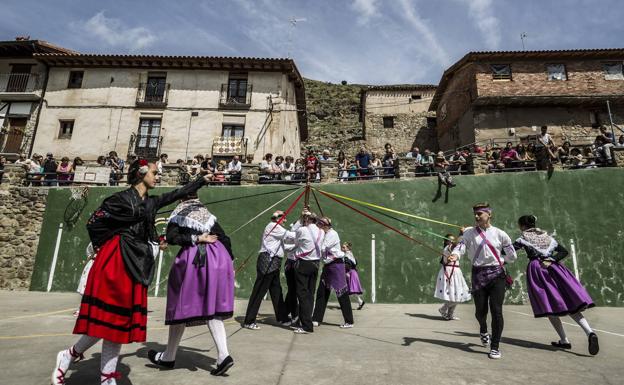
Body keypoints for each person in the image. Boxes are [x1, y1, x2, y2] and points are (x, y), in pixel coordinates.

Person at [50, 159, 211, 385]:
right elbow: (93, 223)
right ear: (141, 173)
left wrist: (201, 180)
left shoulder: (151, 203)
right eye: (155, 172)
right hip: (115, 261)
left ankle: (72, 357)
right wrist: (114, 238)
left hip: (135, 262)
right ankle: (102, 376)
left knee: (116, 323)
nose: (158, 176)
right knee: (107, 320)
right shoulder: (118, 199)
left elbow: (175, 194)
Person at [147, 190, 235, 375]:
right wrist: (229, 264)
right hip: (218, 257)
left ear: (182, 197)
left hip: (195, 260)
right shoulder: (207, 214)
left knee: (181, 304)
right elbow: (224, 238)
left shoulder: (178, 212)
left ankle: (172, 357)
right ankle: (221, 355)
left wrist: (192, 239)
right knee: (211, 307)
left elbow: (171, 238)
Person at [513, 215, 598, 355]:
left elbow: (508, 251)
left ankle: (564, 339)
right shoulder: (547, 237)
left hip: (538, 269)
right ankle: (590, 333)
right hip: (556, 269)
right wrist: (551, 259)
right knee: (571, 304)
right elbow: (564, 251)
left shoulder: (523, 238)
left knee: (549, 305)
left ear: (522, 226)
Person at [450, 203, 517, 360]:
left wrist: (501, 261)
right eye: (475, 213)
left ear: (489, 214)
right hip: (478, 274)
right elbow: (461, 246)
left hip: (497, 275)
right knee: (480, 312)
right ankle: (483, 328)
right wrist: (455, 255)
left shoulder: (501, 234)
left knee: (497, 310)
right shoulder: (469, 233)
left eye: (480, 213)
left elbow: (512, 256)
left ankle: (495, 346)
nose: (476, 216)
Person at [243, 211, 291, 330]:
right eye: (283, 218)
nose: (285, 220)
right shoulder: (273, 226)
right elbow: (291, 236)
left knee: (276, 291)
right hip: (268, 262)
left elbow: (287, 244)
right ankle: (249, 321)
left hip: (274, 263)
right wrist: (303, 231)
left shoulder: (277, 228)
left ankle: (282, 318)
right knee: (259, 291)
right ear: (278, 218)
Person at [284, 209, 324, 334]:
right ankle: (307, 320)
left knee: (302, 295)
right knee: (310, 293)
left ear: (307, 219)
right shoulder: (321, 231)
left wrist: (300, 219)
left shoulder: (302, 230)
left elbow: (290, 236)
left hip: (303, 265)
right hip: (316, 264)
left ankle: (306, 325)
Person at [312, 217, 355, 328]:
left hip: (336, 265)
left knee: (341, 292)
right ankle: (316, 319)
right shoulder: (325, 234)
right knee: (322, 291)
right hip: (328, 266)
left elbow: (323, 248)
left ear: (325, 226)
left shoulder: (332, 234)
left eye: (320, 225)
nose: (318, 227)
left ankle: (349, 321)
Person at [434, 234, 471, 320]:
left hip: (456, 272)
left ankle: (450, 314)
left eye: (453, 239)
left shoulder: (455, 248)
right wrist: (462, 235)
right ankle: (443, 309)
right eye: (450, 240)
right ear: (446, 241)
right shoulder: (448, 248)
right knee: (456, 297)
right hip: (450, 272)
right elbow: (455, 245)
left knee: (456, 294)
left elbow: (457, 246)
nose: (452, 241)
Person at [74, 243, 97, 316]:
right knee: (84, 287)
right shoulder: (93, 242)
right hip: (92, 264)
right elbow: (88, 251)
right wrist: (91, 256)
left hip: (102, 266)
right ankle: (80, 309)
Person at [343, 242, 364, 310]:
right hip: (352, 272)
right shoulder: (350, 254)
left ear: (347, 248)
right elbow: (354, 263)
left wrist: (347, 272)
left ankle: (358, 302)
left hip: (350, 273)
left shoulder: (347, 255)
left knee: (350, 290)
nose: (342, 248)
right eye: (342, 247)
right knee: (351, 290)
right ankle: (360, 302)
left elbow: (348, 264)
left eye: (344, 247)